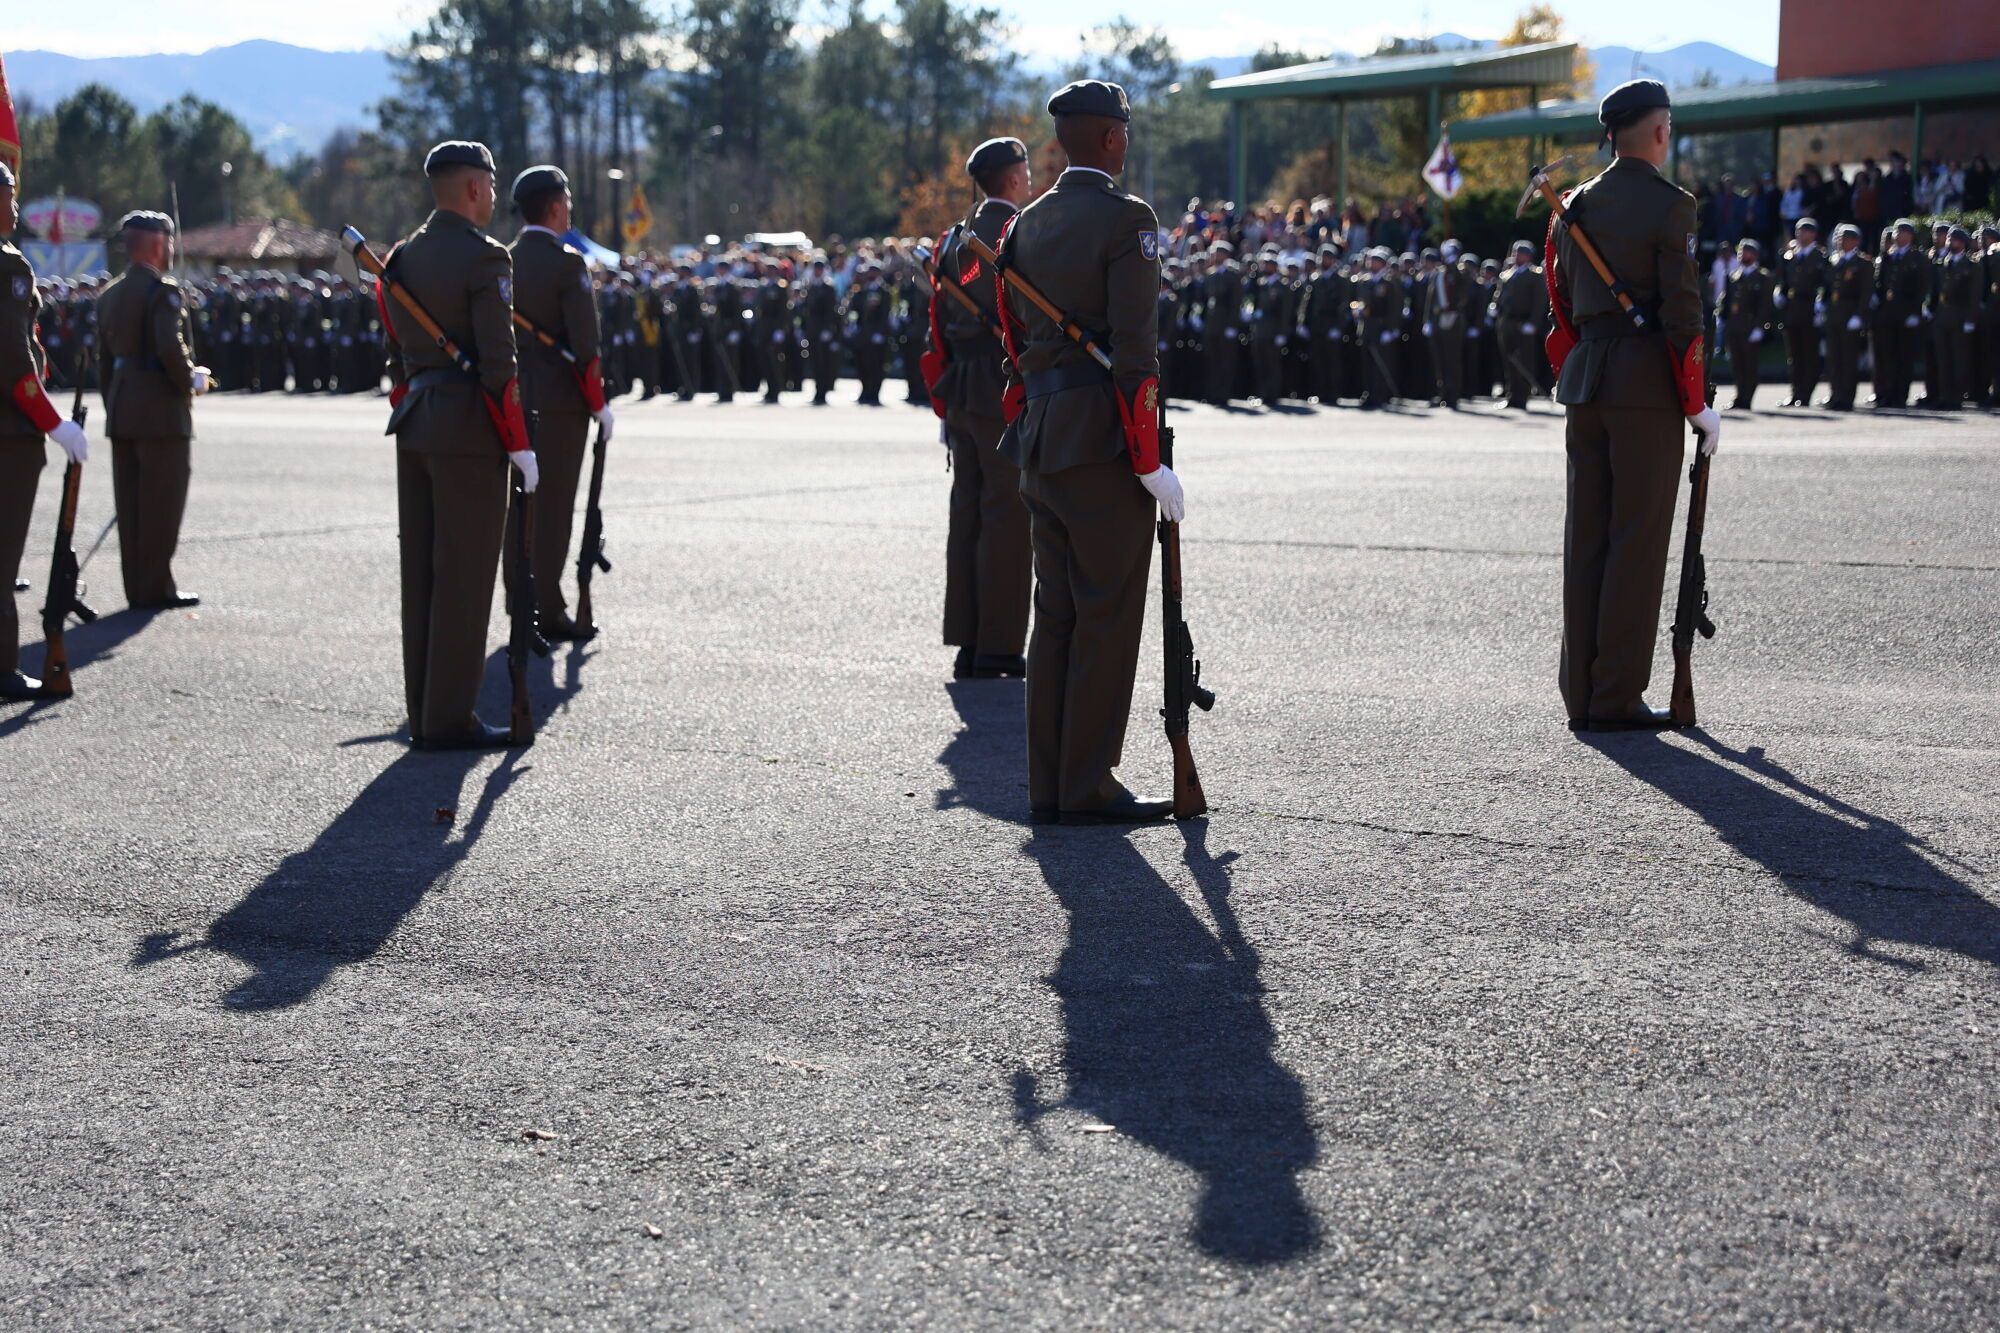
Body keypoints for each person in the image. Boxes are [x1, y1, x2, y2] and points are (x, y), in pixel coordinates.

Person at [995, 79, 1184, 824]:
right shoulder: (1126, 218)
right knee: (1106, 615)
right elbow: (1137, 354)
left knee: (1060, 616)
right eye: (1126, 133)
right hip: (1100, 442)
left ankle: (1052, 781)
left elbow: (1014, 339)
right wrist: (1146, 458)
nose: (1128, 145)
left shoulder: (1025, 224)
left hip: (1040, 435)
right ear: (1110, 139)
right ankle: (1088, 782)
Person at [1546, 79, 1718, 732]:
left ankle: (1581, 692)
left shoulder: (1575, 205)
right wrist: (1696, 402)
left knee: (1585, 537)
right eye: (1668, 123)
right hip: (1645, 385)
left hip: (1586, 378)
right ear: (1657, 130)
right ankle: (1616, 694)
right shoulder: (1671, 206)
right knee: (1637, 539)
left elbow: (1560, 297)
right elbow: (1682, 311)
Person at [380, 140, 538, 750]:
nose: (495, 197)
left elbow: (395, 348)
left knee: (421, 574)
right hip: (469, 428)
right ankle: (449, 719)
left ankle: (425, 710)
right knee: (465, 577)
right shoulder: (485, 257)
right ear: (474, 187)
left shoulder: (403, 257)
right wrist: (519, 444)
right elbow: (500, 362)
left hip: (417, 420)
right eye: (492, 186)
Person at [924, 136, 1034, 682]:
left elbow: (936, 321)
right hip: (998, 386)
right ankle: (998, 644)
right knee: (1007, 517)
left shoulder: (954, 239)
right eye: (1027, 169)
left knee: (967, 514)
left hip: (962, 387)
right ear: (1012, 178)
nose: (1032, 178)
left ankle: (968, 638)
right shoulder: (1015, 231)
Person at [508, 165, 616, 642]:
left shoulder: (502, 260)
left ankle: (519, 603)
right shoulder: (567, 263)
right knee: (552, 511)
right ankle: (547, 609)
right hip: (558, 406)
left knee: (519, 510)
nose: (569, 208)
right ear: (554, 207)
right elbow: (586, 347)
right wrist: (599, 404)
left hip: (512, 401)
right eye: (566, 201)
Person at [2, 161, 94, 699]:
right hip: (8, 437)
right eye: (10, 194)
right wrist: (54, 423)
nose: (15, 206)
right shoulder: (8, 267)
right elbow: (14, 365)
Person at [95, 210, 211, 610]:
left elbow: (104, 366)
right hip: (160, 413)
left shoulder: (109, 294)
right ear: (160, 245)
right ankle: (156, 587)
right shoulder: (163, 292)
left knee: (130, 506)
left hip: (123, 410)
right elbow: (167, 345)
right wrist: (190, 380)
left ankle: (136, 588)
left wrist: (114, 405)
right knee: (162, 502)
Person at [1872, 219, 1926, 409]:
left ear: (1909, 236)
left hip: (1906, 313)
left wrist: (1915, 312)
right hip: (1887, 313)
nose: (1897, 235)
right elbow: (1879, 282)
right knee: (1888, 355)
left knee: (1904, 356)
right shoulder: (1887, 256)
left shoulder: (1917, 258)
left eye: (1901, 232)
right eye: (1895, 232)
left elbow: (1921, 288)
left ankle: (1900, 395)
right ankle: (1887, 393)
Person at [1775, 217, 1828, 406]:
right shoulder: (1791, 256)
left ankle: (1806, 393)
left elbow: (1824, 283)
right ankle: (1796, 392)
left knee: (1809, 355)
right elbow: (1784, 280)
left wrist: (1820, 303)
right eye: (1798, 231)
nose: (1800, 234)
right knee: (1795, 355)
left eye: (1804, 231)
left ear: (1813, 234)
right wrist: (1780, 292)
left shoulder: (1819, 257)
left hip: (1809, 310)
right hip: (1792, 310)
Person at [1822, 223, 1872, 410]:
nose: (1839, 242)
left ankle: (1847, 397)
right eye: (1838, 238)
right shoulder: (1835, 260)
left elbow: (1865, 292)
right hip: (1834, 315)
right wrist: (1822, 304)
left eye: (1844, 238)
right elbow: (1828, 287)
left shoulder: (1863, 264)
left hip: (1850, 315)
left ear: (1854, 241)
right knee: (1833, 357)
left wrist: (1859, 315)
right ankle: (1835, 394)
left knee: (1848, 358)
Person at [1721, 238, 1775, 410]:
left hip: (1750, 326)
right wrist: (1722, 317)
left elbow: (1765, 305)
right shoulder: (1734, 276)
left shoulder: (1763, 277)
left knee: (1749, 365)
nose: (1742, 254)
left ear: (1755, 255)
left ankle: (1747, 398)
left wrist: (1760, 327)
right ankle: (1739, 395)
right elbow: (1727, 301)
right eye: (1741, 251)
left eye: (1747, 251)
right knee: (1736, 364)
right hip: (1734, 326)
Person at [1493, 239, 1545, 410]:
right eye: (1515, 252)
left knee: (1524, 361)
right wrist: (1495, 307)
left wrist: (1533, 323)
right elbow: (1499, 296)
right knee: (1508, 360)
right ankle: (1511, 395)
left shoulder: (1534, 274)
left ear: (1528, 256)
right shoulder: (1507, 274)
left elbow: (1539, 301)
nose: (1516, 256)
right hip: (1507, 321)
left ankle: (1522, 397)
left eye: (1520, 253)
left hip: (1523, 321)